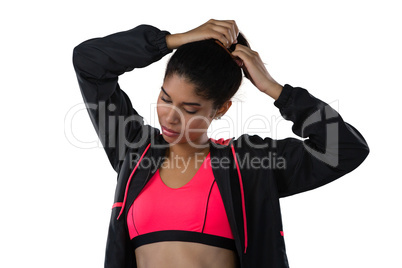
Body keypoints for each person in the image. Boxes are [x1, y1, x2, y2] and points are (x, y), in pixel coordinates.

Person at [72, 19, 369, 268]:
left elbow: (345, 148)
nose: (170, 118)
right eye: (165, 98)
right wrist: (174, 40)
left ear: (221, 109)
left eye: (189, 109)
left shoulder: (249, 163)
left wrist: (274, 89)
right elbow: (89, 61)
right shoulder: (134, 150)